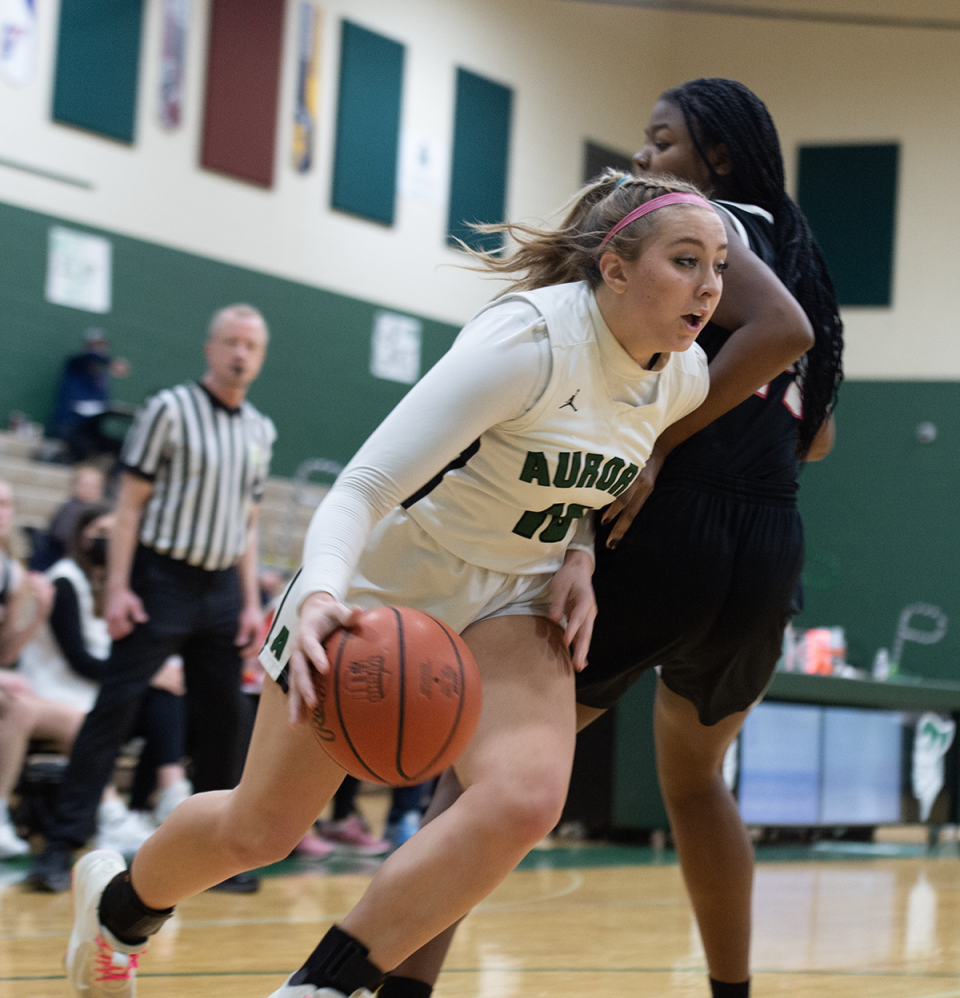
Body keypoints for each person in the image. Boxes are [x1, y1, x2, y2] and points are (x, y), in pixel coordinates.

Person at [65, 174, 725, 998]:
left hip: (515, 592)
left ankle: (323, 985)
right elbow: (360, 489)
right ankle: (121, 907)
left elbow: (586, 477)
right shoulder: (525, 344)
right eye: (686, 260)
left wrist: (580, 554)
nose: (709, 287)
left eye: (719, 265)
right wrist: (319, 597)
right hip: (385, 583)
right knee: (260, 829)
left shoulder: (685, 375)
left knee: (526, 799)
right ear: (615, 269)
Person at [380, 77, 842, 998]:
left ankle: (397, 987)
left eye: (661, 141)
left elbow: (772, 329)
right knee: (699, 784)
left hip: (668, 527)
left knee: (478, 781)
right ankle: (732, 993)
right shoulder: (808, 256)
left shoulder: (703, 224)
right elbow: (818, 433)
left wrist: (658, 443)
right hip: (769, 544)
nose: (644, 160)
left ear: (713, 157)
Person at [27, 304, 275, 893]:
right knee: (113, 709)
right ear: (210, 347)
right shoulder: (169, 409)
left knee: (225, 720)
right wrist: (118, 587)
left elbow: (249, 522)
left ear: (260, 357)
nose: (241, 353)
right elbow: (129, 505)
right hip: (161, 579)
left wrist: (247, 603)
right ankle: (61, 845)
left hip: (220, 590)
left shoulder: (260, 430)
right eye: (231, 342)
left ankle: (219, 854)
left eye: (251, 345)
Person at [18, 503, 192, 852]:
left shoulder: (108, 584)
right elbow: (79, 661)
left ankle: (168, 795)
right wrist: (145, 675)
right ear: (81, 535)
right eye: (100, 532)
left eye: (115, 534)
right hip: (53, 688)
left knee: (167, 696)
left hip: (90, 689)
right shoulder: (65, 580)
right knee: (110, 714)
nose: (108, 541)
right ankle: (111, 815)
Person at [51, 329, 132, 462]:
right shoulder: (75, 364)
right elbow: (91, 357)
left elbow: (99, 406)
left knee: (120, 447)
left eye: (102, 346)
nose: (98, 349)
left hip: (90, 429)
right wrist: (111, 363)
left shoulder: (102, 377)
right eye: (94, 345)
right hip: (69, 426)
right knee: (84, 449)